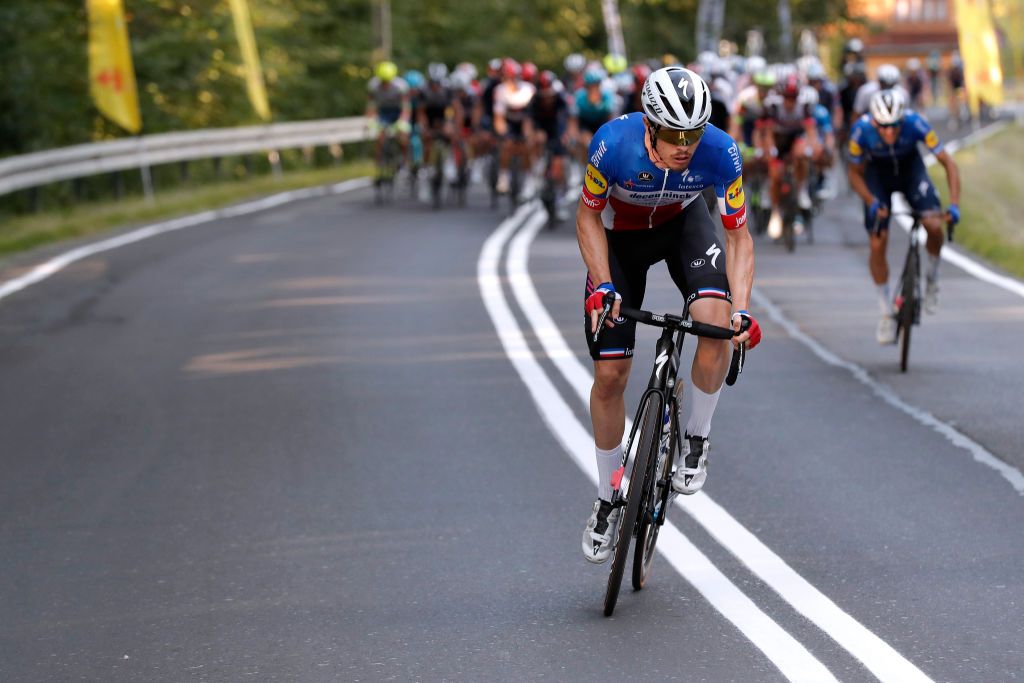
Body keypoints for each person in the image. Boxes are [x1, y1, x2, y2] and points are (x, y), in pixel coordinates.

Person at [577, 66, 762, 563]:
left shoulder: (720, 151)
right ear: (649, 126)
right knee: (611, 374)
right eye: (674, 134)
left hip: (683, 227)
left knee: (716, 322)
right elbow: (587, 216)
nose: (685, 145)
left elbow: (739, 236)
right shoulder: (612, 145)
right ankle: (605, 498)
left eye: (694, 134)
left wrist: (741, 309)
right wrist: (604, 285)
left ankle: (696, 438)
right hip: (620, 240)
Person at [846, 89, 960, 344]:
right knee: (878, 241)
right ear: (874, 121)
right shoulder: (860, 131)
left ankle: (932, 278)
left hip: (912, 172)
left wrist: (953, 205)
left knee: (933, 224)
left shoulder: (916, 123)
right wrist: (871, 201)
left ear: (902, 120)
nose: (889, 132)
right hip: (878, 179)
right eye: (883, 126)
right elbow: (854, 173)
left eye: (895, 126)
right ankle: (886, 312)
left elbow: (948, 163)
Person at [365, 61, 411, 170]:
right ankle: (379, 163)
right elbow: (371, 105)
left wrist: (403, 120)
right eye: (383, 81)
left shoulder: (400, 86)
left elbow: (406, 106)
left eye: (387, 81)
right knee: (380, 137)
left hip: (398, 111)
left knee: (403, 135)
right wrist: (369, 120)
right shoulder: (373, 85)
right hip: (383, 112)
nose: (385, 84)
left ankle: (404, 160)